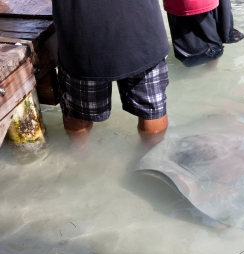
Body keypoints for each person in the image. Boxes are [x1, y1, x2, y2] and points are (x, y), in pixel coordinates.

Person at [51, 0, 170, 148]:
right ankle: (151, 158)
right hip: (142, 27)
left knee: (78, 112)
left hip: (83, 33)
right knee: (152, 109)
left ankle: (79, 160)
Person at [163, 0, 244, 67]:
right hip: (193, 5)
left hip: (187, 5)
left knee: (208, 48)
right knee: (211, 47)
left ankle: (209, 71)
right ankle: (210, 71)